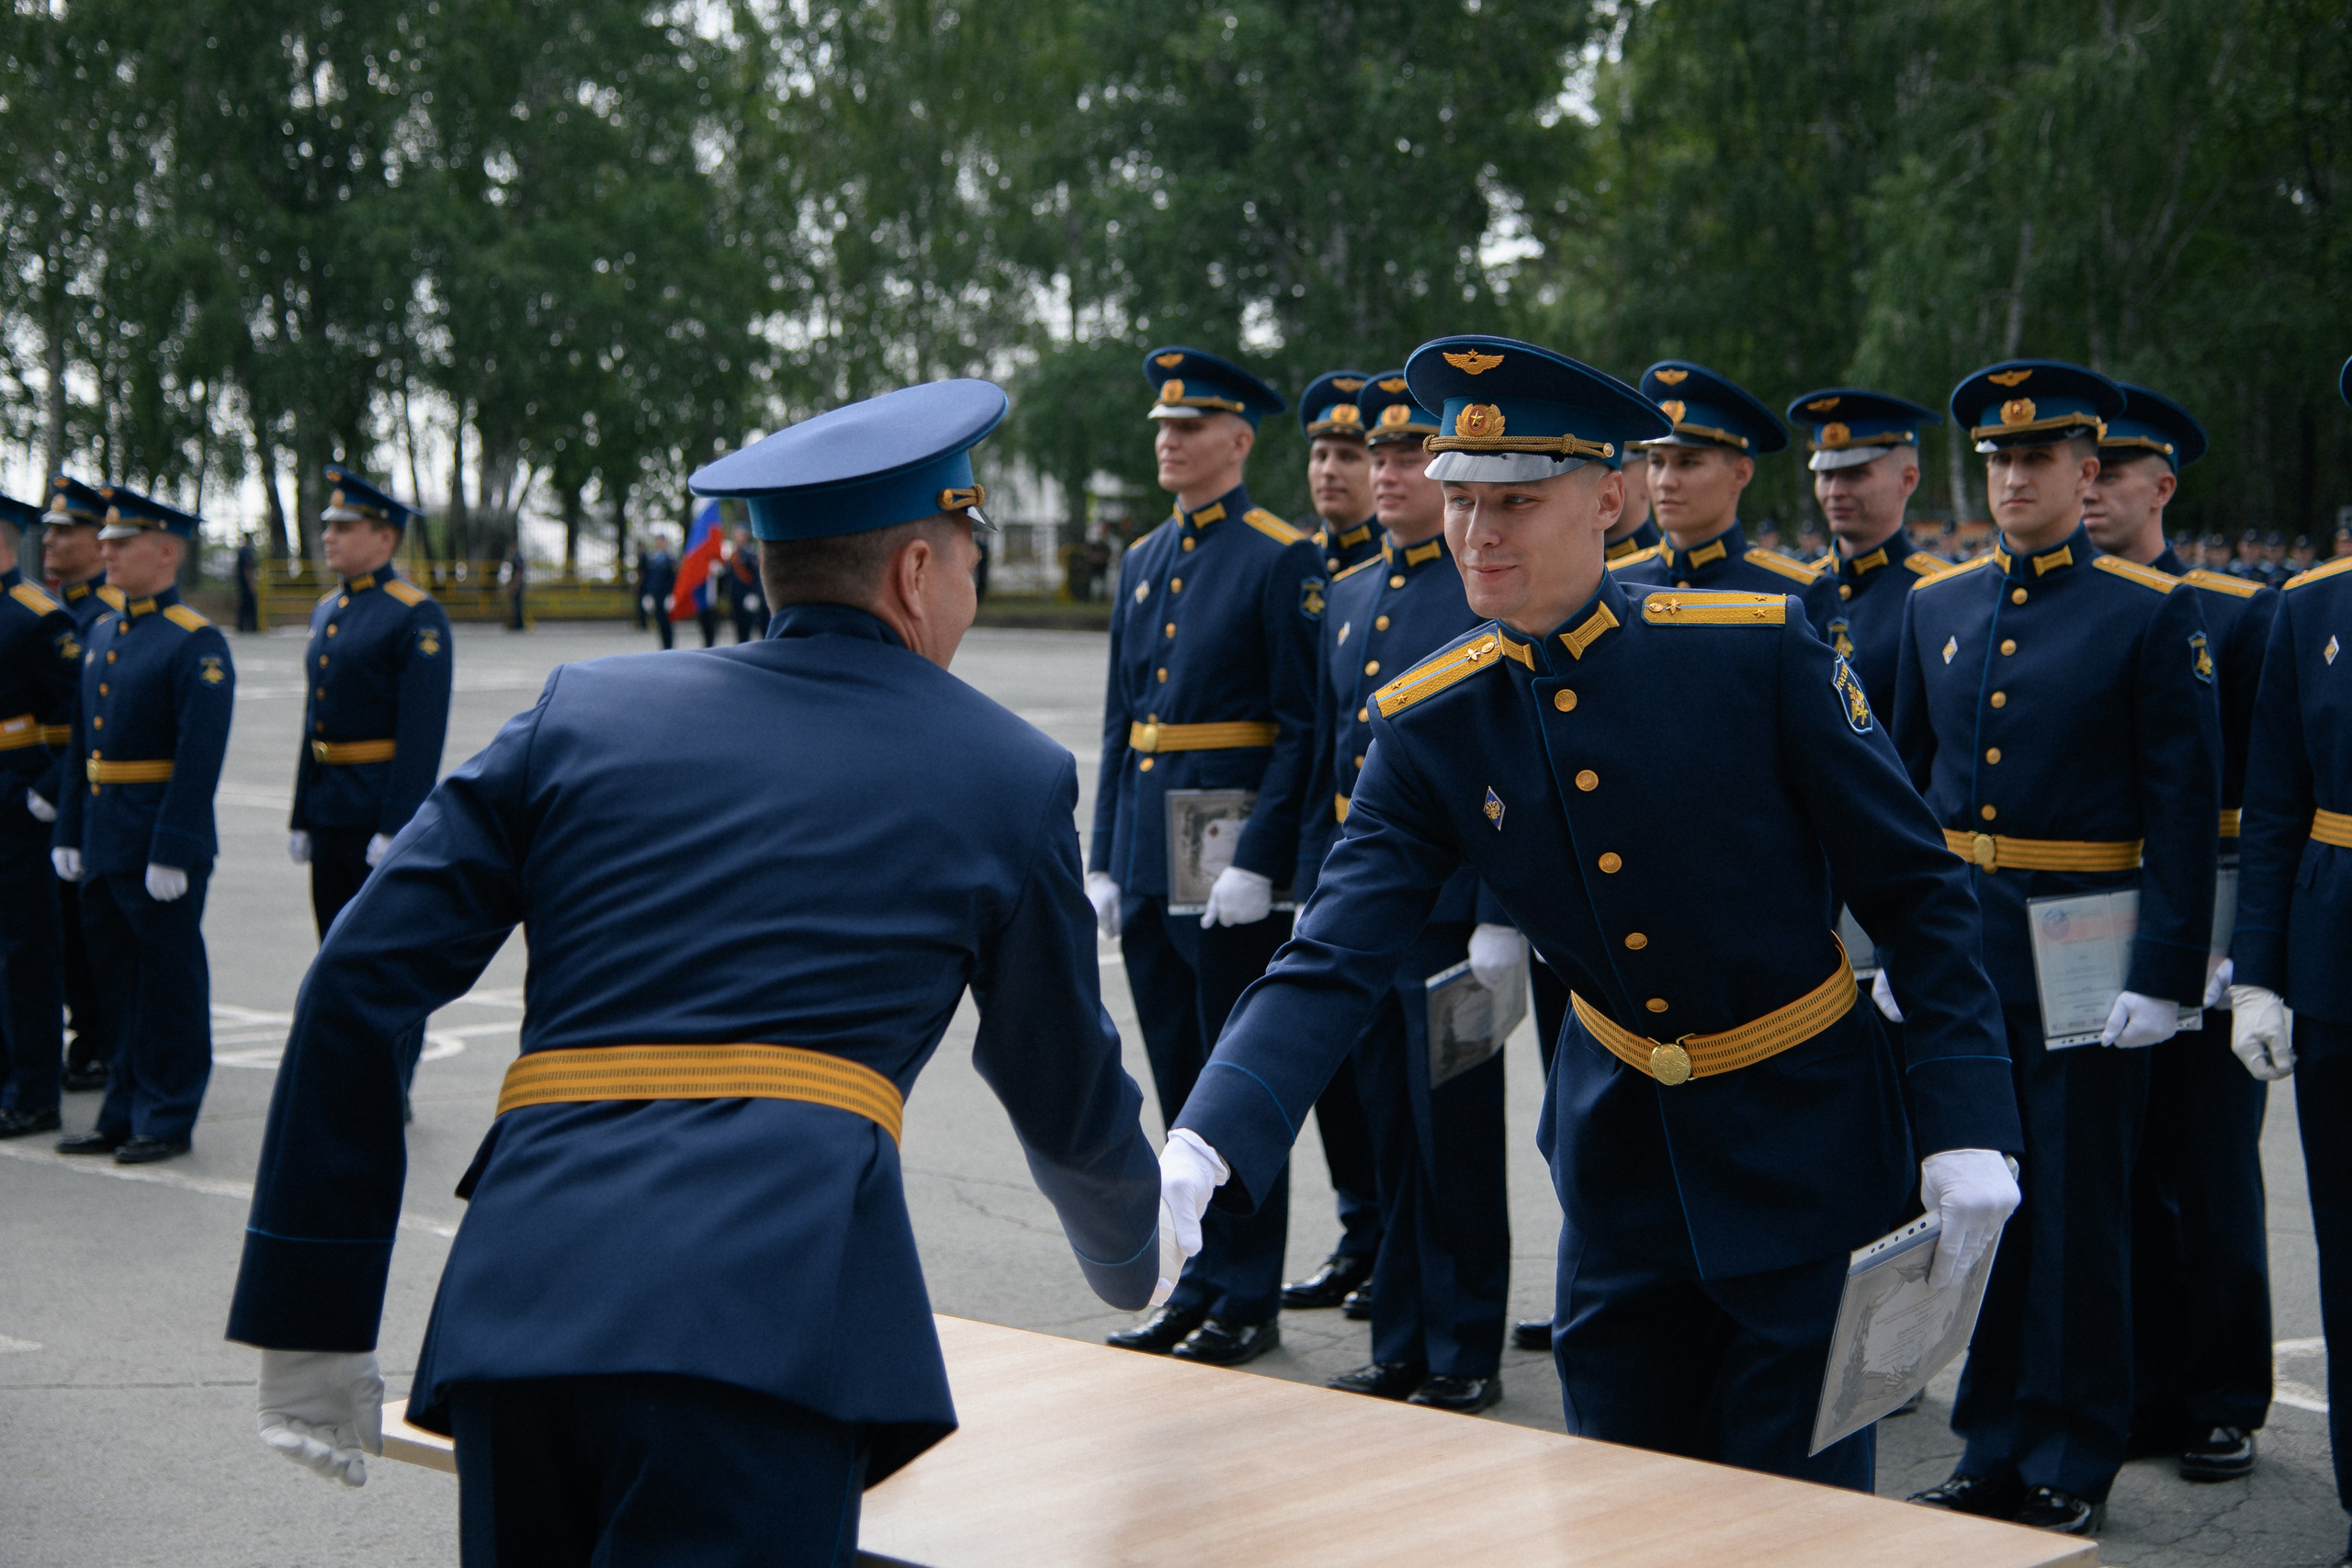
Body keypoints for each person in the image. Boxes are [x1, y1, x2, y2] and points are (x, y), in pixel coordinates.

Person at [225, 379, 1162, 1565]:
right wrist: (1133, 1253)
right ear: (915, 573)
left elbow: (352, 977)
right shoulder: (1006, 769)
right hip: (768, 1332)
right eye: (968, 560)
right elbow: (1060, 1078)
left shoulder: (582, 710)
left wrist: (312, 1322)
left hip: (524, 1313)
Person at [1161, 333, 2021, 1491]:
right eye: (1464, 500)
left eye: (1516, 501)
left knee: (1798, 1527)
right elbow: (1334, 951)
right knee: (1620, 1505)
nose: (1478, 534)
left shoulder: (1754, 653)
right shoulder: (1431, 722)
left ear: (1608, 499)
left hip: (1803, 1143)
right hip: (1618, 1160)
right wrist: (1215, 1129)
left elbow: (1918, 889)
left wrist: (1966, 1117)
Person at [1899, 360, 2221, 1536]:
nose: (2013, 477)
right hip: (1964, 950)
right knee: (1977, 1213)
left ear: (2087, 474)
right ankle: (1988, 1442)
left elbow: (2183, 809)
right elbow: (1897, 794)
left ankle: (2071, 1456)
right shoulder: (1936, 606)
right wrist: (1891, 947)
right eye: (1996, 458)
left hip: (2088, 950)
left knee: (2080, 1216)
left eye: (2036, 459)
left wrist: (2166, 976)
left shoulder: (2146, 610)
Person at [1088, 346, 1321, 1368]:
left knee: (1230, 1089)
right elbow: (1117, 722)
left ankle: (1246, 1296)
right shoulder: (1143, 559)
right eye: (1161, 430)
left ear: (1238, 441)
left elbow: (1302, 727)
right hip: (1149, 857)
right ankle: (1190, 1286)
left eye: (1189, 430)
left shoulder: (1279, 556)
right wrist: (1102, 857)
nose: (1169, 443)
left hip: (1227, 871)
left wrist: (1260, 860)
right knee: (1178, 1082)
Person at [1301, 367, 1519, 1411]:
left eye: (1406, 457)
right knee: (1389, 1132)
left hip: (1449, 918)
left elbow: (1504, 766)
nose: (1386, 474)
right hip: (1370, 912)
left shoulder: (1476, 586)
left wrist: (1495, 912)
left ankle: (1465, 1347)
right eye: (1376, 457)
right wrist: (1312, 891)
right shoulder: (1348, 594)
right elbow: (1325, 762)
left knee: (1457, 1141)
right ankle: (1400, 1340)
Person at [2078, 387, 2279, 1483]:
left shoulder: (2236, 612)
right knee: (2118, 1176)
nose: (2093, 489)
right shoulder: (2071, 605)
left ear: (2161, 487)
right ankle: (2142, 1385)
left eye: (2113, 474)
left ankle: (2220, 1396)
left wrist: (2229, 951)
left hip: (2197, 940)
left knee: (2206, 1169)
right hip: (2089, 935)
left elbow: (2246, 810)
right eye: (2084, 471)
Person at [2225, 355, 2352, 1568]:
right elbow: (2271, 804)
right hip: (2337, 953)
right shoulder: (2310, 606)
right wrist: (2256, 968)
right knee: (2350, 1234)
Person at [49, 488, 235, 1166]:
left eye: (120, 543)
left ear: (165, 551)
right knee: (114, 983)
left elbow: (198, 757)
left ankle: (168, 1111)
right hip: (104, 834)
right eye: (104, 541)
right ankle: (122, 1107)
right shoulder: (102, 630)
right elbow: (80, 748)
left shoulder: (195, 640)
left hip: (158, 839)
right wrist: (70, 831)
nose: (106, 551)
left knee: (167, 983)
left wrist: (176, 846)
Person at [286, 468, 454, 1112]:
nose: (329, 536)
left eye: (344, 527)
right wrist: (302, 811)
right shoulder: (330, 610)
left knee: (385, 957)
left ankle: (390, 1084)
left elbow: (421, 733)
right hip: (331, 809)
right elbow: (314, 723)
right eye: (327, 526)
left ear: (384, 538)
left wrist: (397, 821)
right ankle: (349, 1074)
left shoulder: (416, 615)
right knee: (335, 950)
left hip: (377, 813)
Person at [1279, 367, 1386, 1315]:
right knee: (1336, 1072)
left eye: (1350, 454)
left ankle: (1386, 1234)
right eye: (1321, 452)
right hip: (1331, 856)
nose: (1334, 471)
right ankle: (1362, 1228)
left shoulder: (1383, 569)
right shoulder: (1307, 564)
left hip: (1401, 872)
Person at [1783, 389, 1951, 720]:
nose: (1834, 491)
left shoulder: (1942, 592)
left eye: (1855, 473)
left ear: (1908, 480)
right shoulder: (1797, 586)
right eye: (1826, 475)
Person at [1611, 361, 1833, 607]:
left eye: (1687, 462)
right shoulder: (1612, 585)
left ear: (1741, 474)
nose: (1665, 482)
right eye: (1656, 462)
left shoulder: (1795, 594)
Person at [32, 476, 119, 1092]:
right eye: (51, 528)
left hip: (86, 793)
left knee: (90, 930)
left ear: (100, 541)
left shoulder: (104, 618)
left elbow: (93, 729)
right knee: (62, 925)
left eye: (69, 530)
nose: (53, 540)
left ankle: (100, 1039)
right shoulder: (63, 610)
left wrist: (48, 785)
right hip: (57, 794)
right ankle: (89, 1034)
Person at [0, 493, 80, 1138]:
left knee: (26, 947)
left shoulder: (39, 618)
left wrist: (47, 791)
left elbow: (83, 719)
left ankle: (34, 1088)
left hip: (17, 797)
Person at [1299, 369, 1383, 577]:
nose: (1328, 471)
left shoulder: (1392, 560)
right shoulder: (1295, 561)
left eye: (1348, 457)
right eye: (1320, 456)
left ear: (1379, 468)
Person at [725, 525, 766, 641]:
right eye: (735, 534)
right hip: (736, 596)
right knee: (740, 629)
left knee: (756, 627)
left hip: (749, 595)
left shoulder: (751, 554)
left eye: (739, 534)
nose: (736, 537)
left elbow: (757, 576)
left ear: (745, 536)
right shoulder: (732, 555)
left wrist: (755, 594)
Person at [640, 530, 679, 649]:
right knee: (659, 622)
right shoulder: (651, 560)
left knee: (668, 624)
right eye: (658, 541)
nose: (660, 544)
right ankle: (663, 648)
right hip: (655, 595)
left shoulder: (670, 559)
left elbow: (674, 579)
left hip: (666, 595)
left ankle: (669, 647)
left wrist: (672, 595)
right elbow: (648, 578)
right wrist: (647, 595)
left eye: (662, 541)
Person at [233, 533, 261, 632]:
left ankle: (242, 626)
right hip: (245, 583)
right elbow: (247, 568)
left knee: (244, 604)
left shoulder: (242, 552)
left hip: (242, 583)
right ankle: (251, 627)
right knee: (249, 605)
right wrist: (251, 583)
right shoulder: (246, 553)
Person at [500, 539, 527, 630]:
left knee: (517, 605)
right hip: (517, 583)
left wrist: (515, 585)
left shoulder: (518, 557)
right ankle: (516, 623)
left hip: (517, 584)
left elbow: (518, 572)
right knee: (515, 605)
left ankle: (519, 624)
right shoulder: (516, 557)